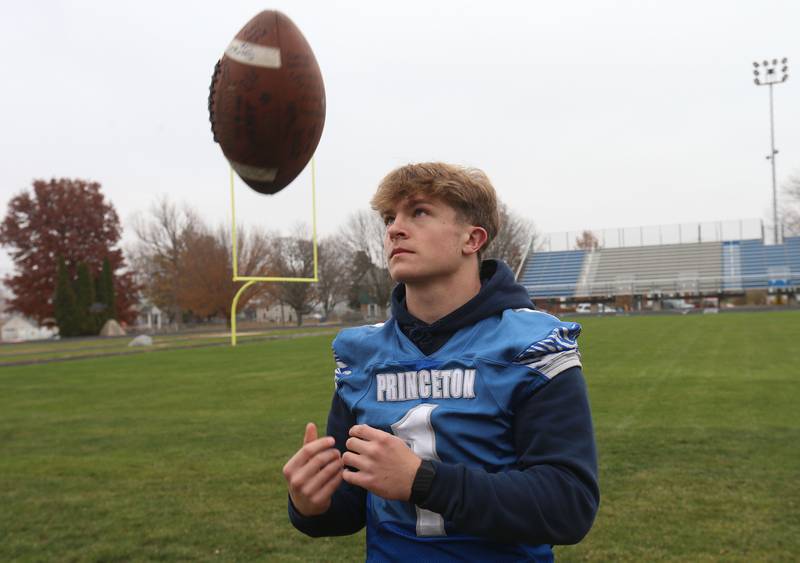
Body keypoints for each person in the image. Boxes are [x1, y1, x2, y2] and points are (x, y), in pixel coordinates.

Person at [283, 163, 599, 561]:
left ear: (472, 238)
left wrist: (423, 480)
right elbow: (351, 503)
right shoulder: (361, 354)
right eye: (389, 218)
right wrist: (311, 504)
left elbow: (568, 505)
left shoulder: (532, 346)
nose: (395, 228)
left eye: (418, 212)